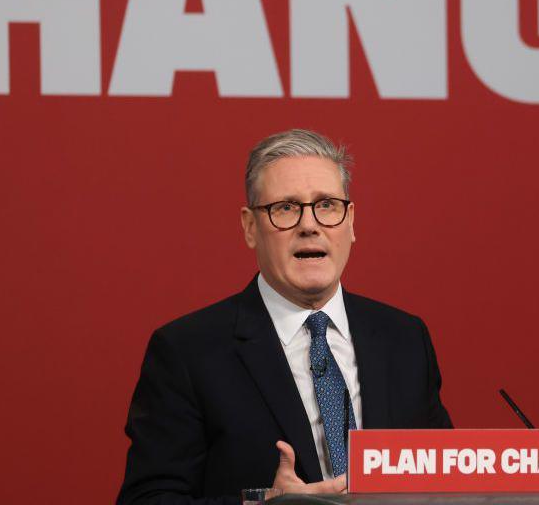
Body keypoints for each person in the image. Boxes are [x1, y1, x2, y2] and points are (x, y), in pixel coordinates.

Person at [117, 129, 453, 505]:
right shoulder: (188, 352)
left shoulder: (404, 339)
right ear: (249, 227)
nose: (309, 225)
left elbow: (440, 482)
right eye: (286, 208)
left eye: (326, 205)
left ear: (351, 221)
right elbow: (147, 499)